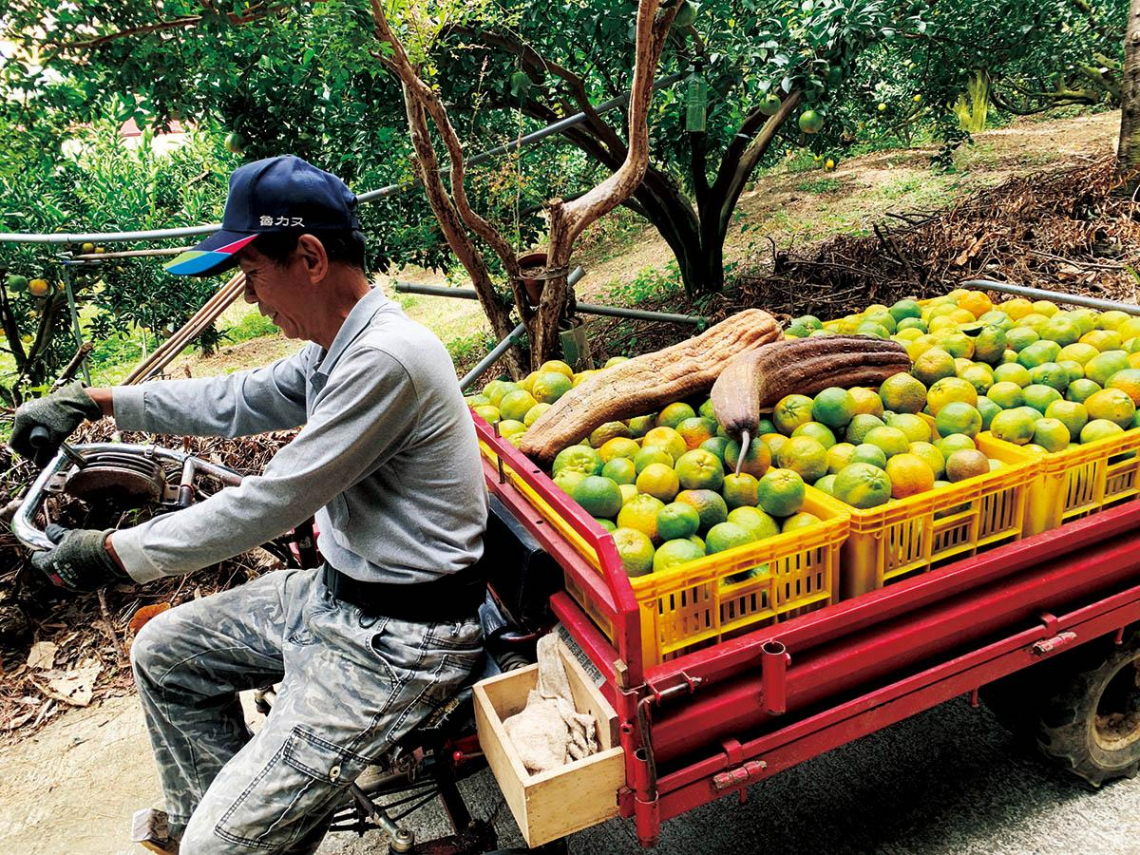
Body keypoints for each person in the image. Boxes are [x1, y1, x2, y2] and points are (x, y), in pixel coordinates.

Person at [10, 156, 489, 854]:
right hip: (339, 601)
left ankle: (233, 835)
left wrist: (111, 555)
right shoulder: (336, 346)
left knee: (218, 845)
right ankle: (243, 826)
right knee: (161, 651)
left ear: (311, 257)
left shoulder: (387, 359)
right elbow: (233, 397)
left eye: (252, 275)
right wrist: (99, 401)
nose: (251, 300)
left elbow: (269, 501)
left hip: (402, 645)